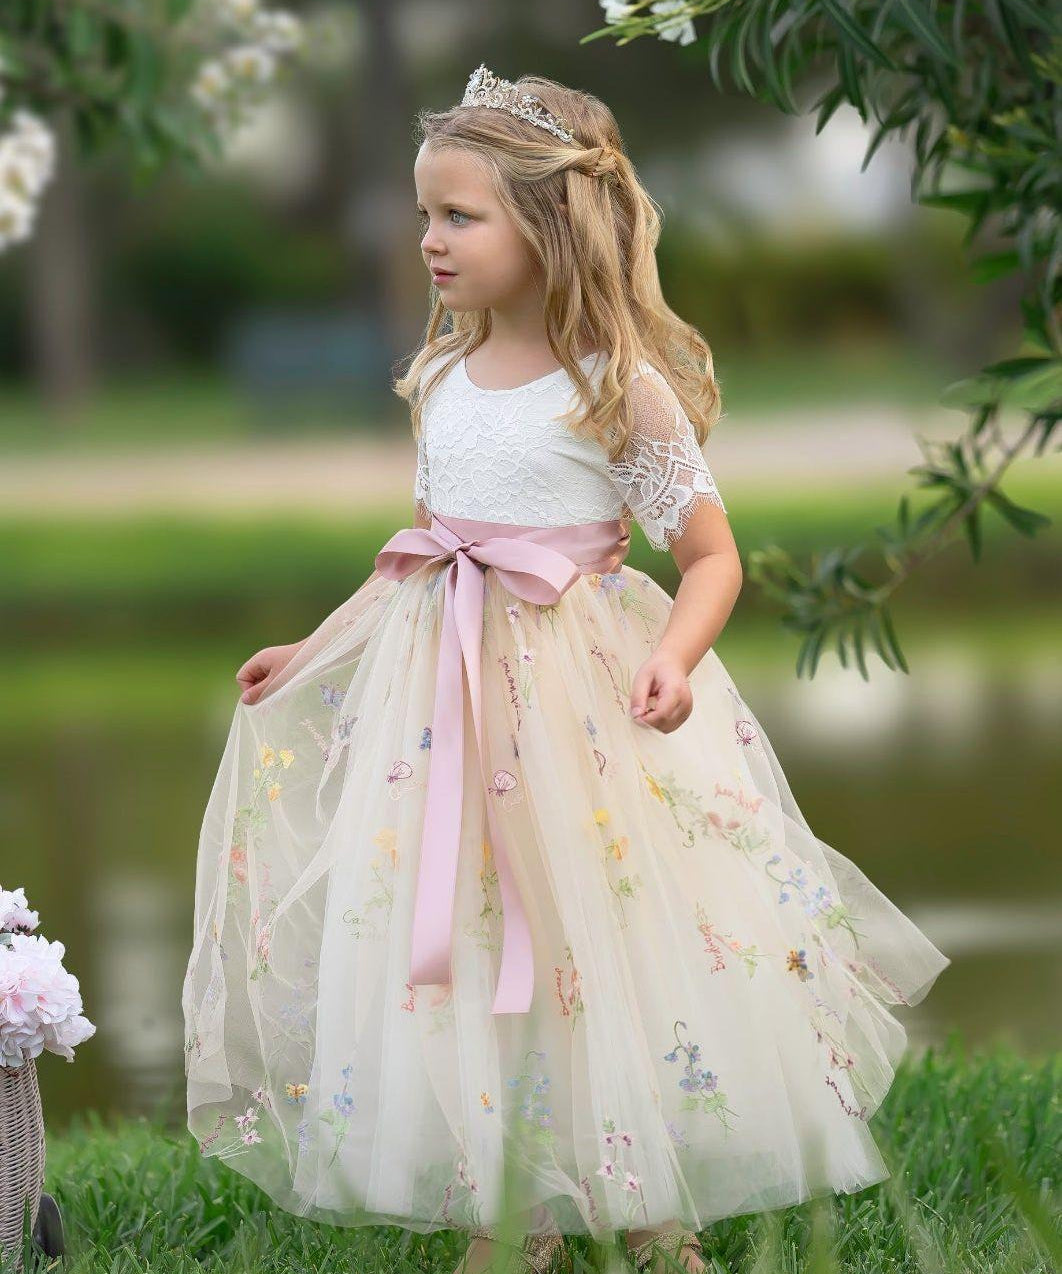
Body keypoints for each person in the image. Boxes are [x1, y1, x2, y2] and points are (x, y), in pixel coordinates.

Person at [182, 64, 951, 1274]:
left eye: (458, 215)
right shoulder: (439, 378)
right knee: (473, 937)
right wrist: (315, 644)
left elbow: (710, 555)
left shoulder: (614, 391)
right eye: (425, 213)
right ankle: (517, 1206)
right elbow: (420, 554)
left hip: (578, 706)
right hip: (442, 712)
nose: (427, 239)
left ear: (549, 224)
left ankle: (653, 1209)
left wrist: (677, 658)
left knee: (602, 935)